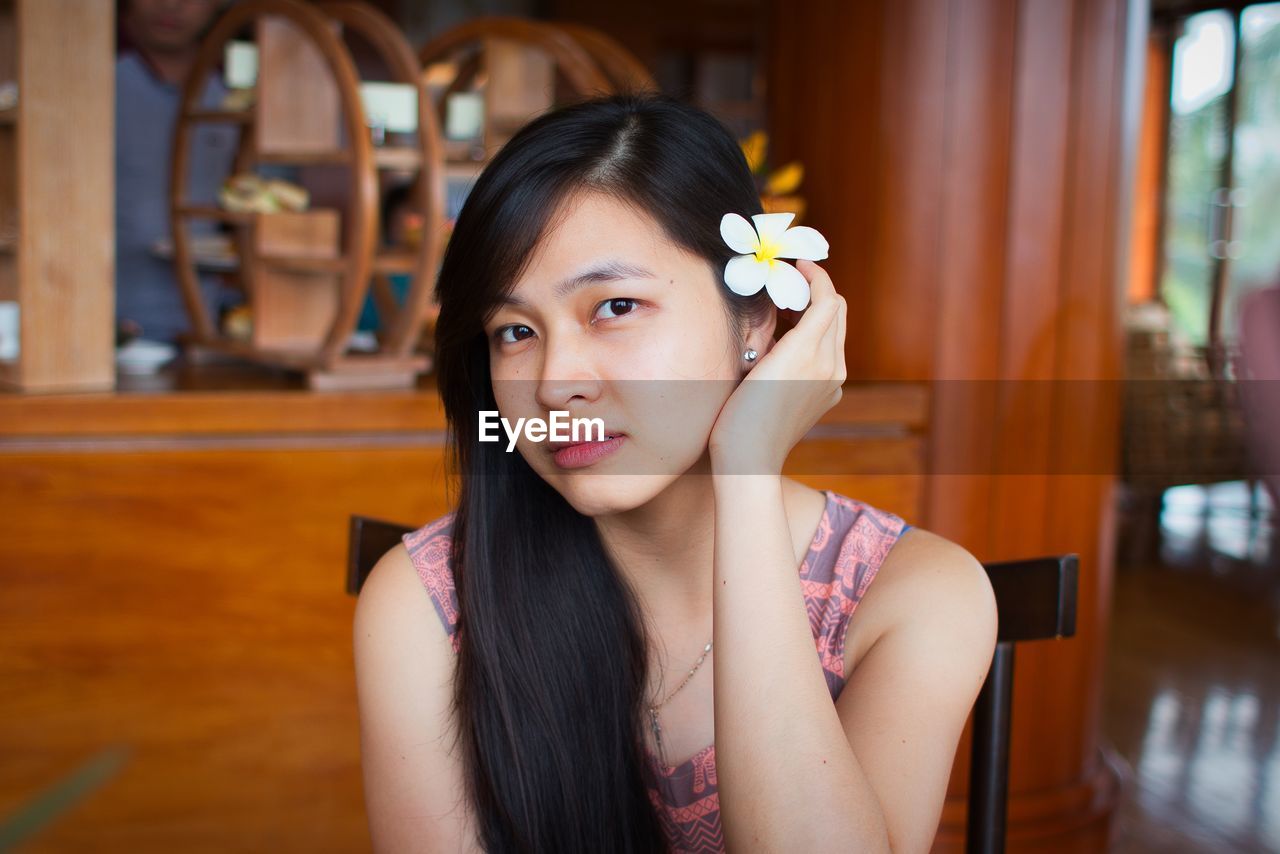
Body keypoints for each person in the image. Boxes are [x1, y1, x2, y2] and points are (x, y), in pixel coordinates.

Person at [352, 94, 997, 853]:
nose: (556, 382)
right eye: (516, 331)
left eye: (616, 306)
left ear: (753, 321)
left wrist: (749, 470)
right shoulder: (429, 605)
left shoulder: (911, 596)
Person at [116, 0, 239, 345]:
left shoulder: (230, 102)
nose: (170, 4)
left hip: (204, 326)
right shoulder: (89, 88)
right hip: (96, 319)